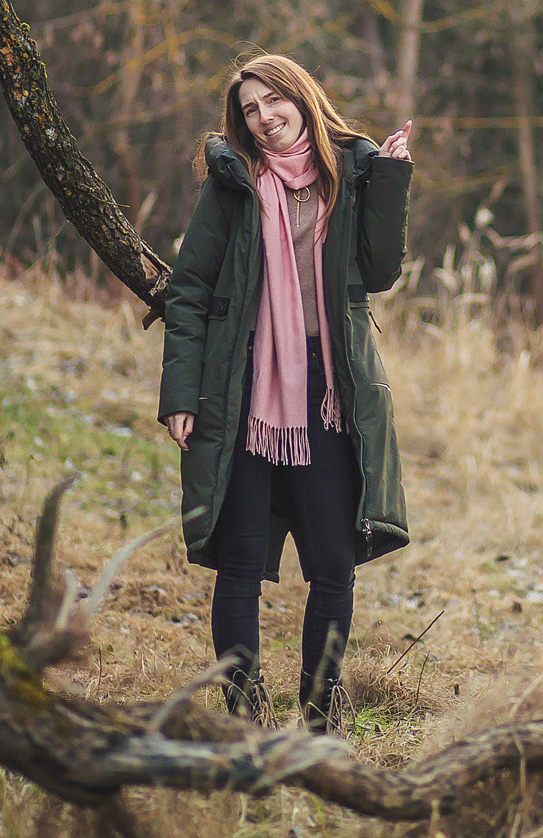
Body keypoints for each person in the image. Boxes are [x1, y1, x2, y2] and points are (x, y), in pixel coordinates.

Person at [159, 54, 414, 731]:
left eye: (274, 100)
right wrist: (181, 394)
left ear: (301, 98)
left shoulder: (350, 174)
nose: (265, 117)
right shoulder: (234, 184)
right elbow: (187, 291)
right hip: (243, 390)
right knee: (239, 562)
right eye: (250, 109)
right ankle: (245, 718)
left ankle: (319, 716)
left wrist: (391, 178)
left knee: (333, 562)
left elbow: (380, 271)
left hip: (328, 390)